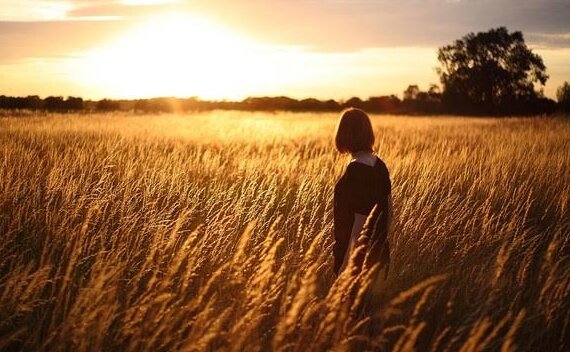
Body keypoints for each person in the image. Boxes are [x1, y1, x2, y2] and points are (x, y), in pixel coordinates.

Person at [333, 108, 392, 278]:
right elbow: (389, 213)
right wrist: (380, 248)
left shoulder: (357, 170)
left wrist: (346, 266)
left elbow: (360, 221)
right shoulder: (379, 165)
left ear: (344, 134)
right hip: (378, 257)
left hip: (356, 264)